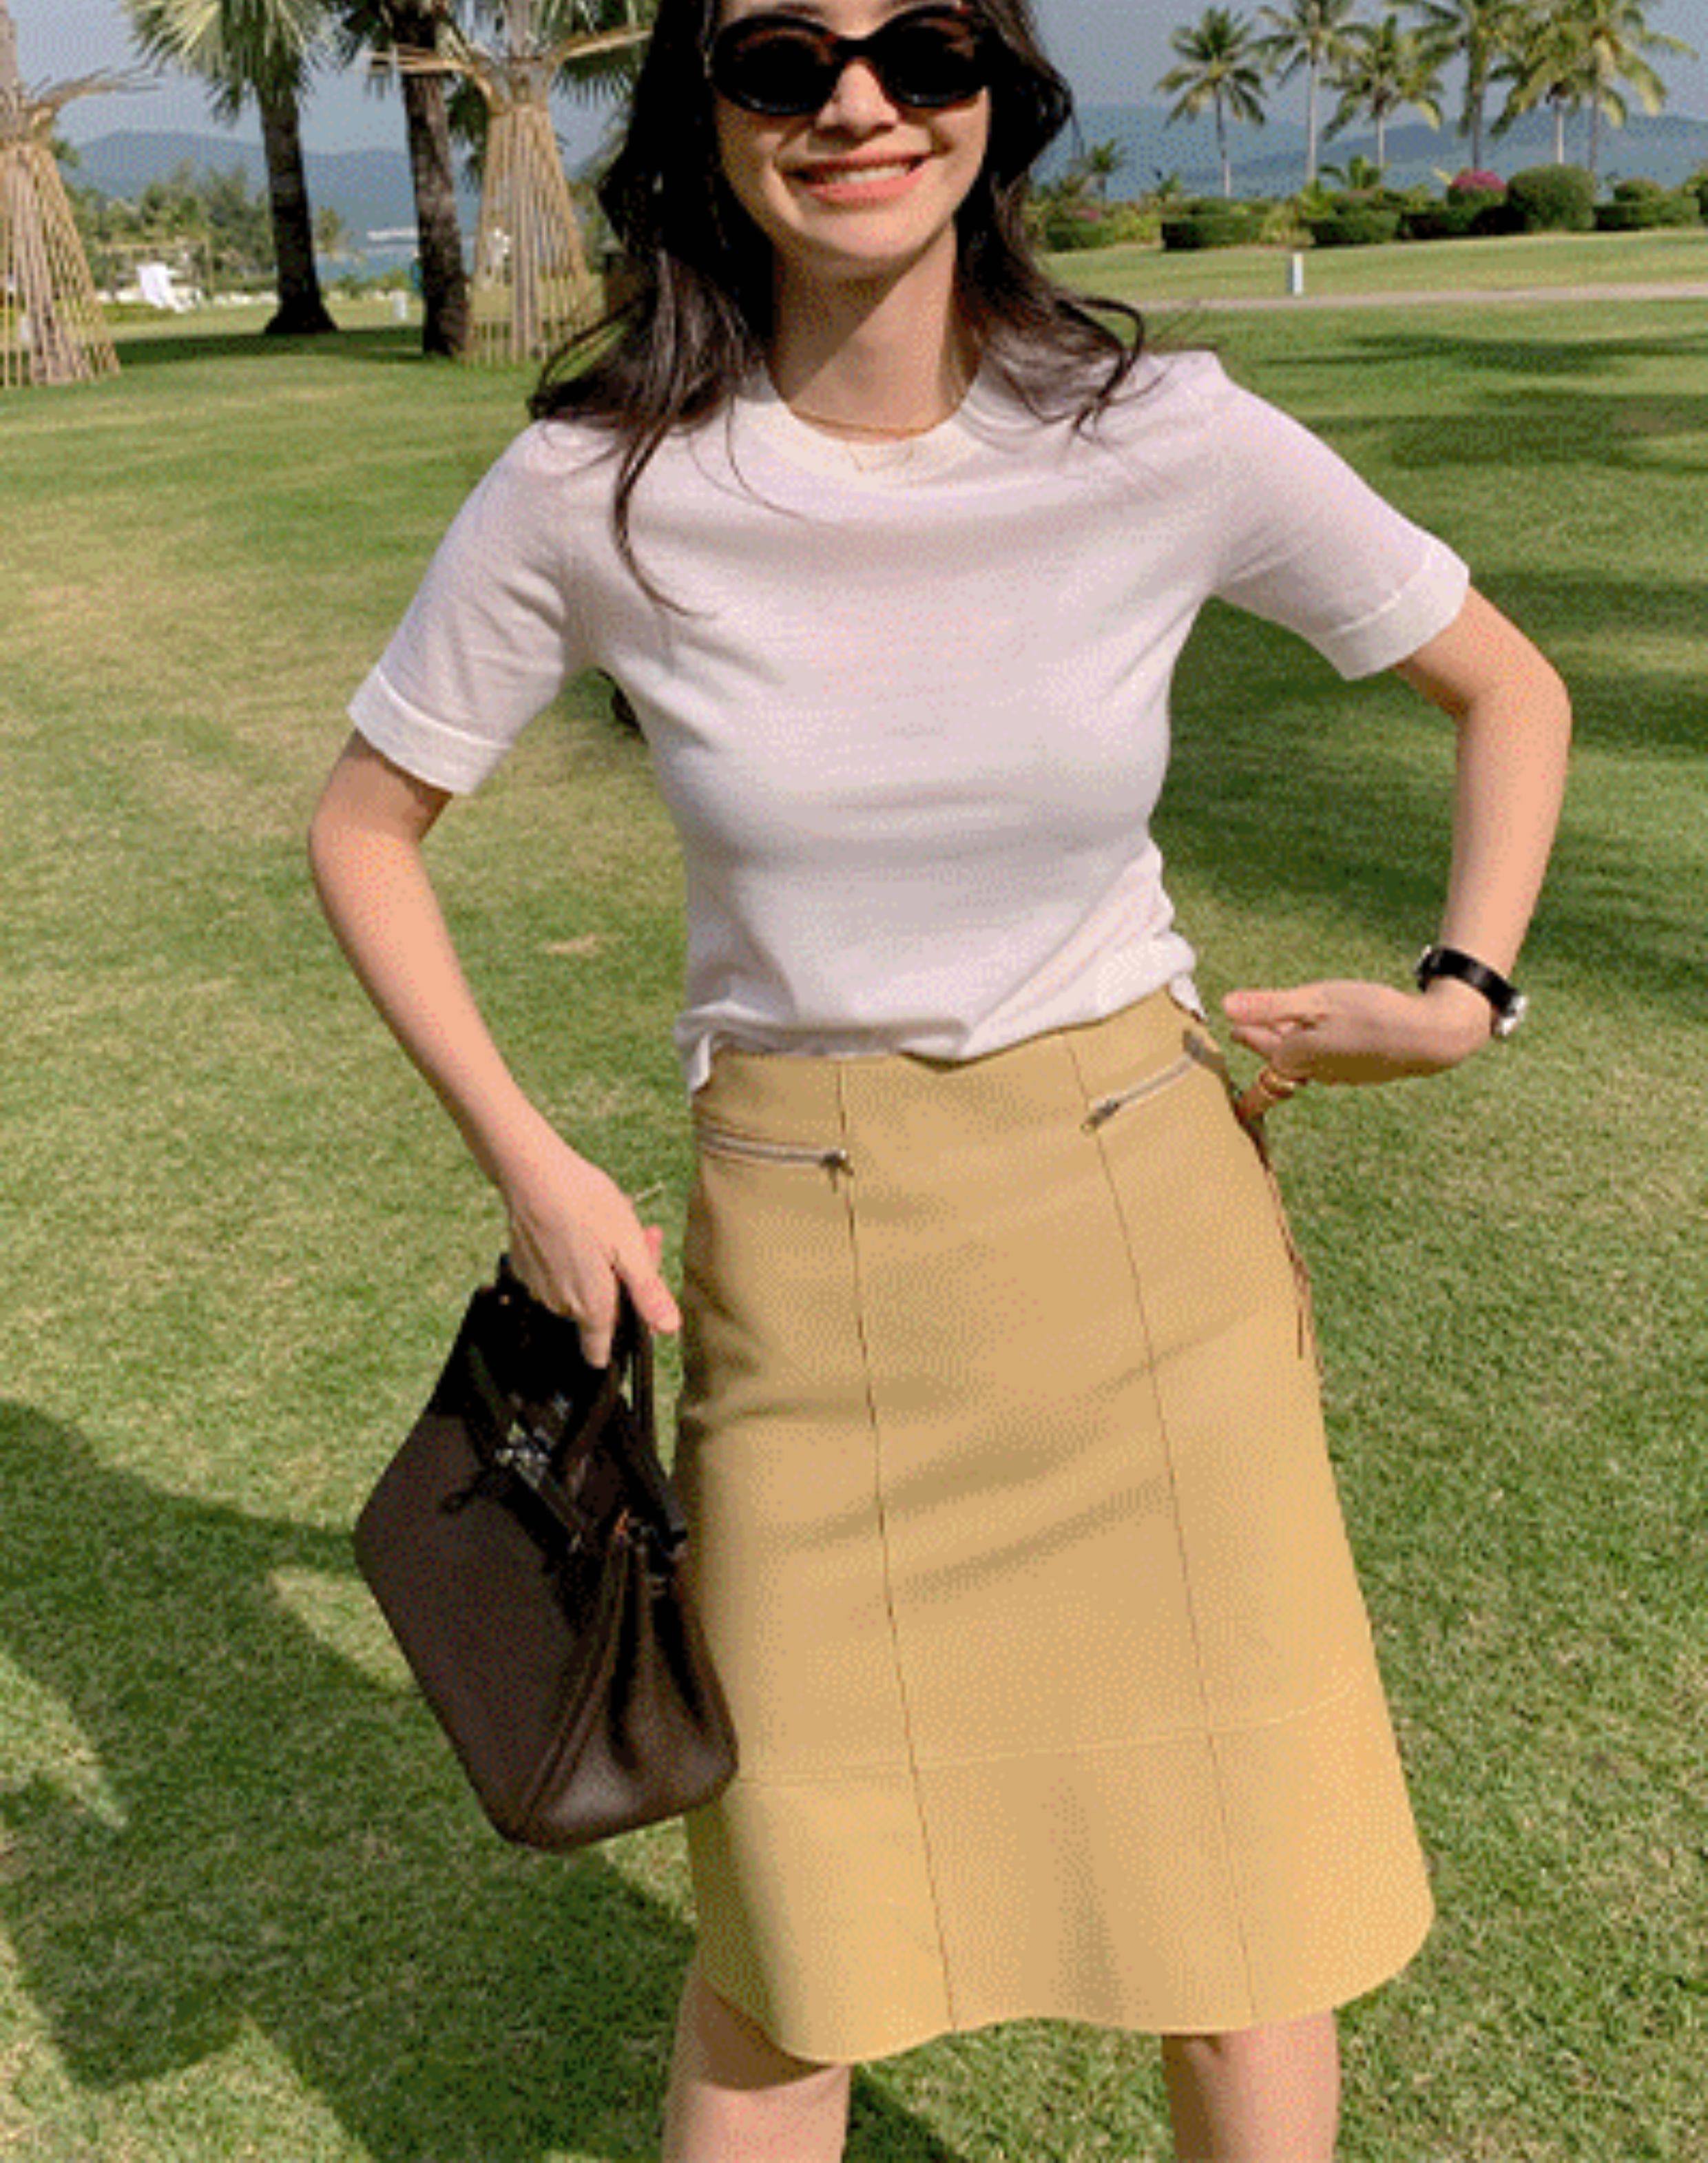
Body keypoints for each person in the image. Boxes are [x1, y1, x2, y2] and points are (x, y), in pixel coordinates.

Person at [307, 0, 1572, 2154]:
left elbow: (1505, 687)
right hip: (808, 1274)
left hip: (1145, 1240)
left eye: (923, 47)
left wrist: (1462, 991)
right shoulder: (601, 485)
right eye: (784, 61)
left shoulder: (1157, 432)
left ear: (1001, 88)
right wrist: (531, 1161)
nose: (861, 104)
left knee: (1242, 1911)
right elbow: (365, 828)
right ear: (707, 118)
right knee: (796, 1948)